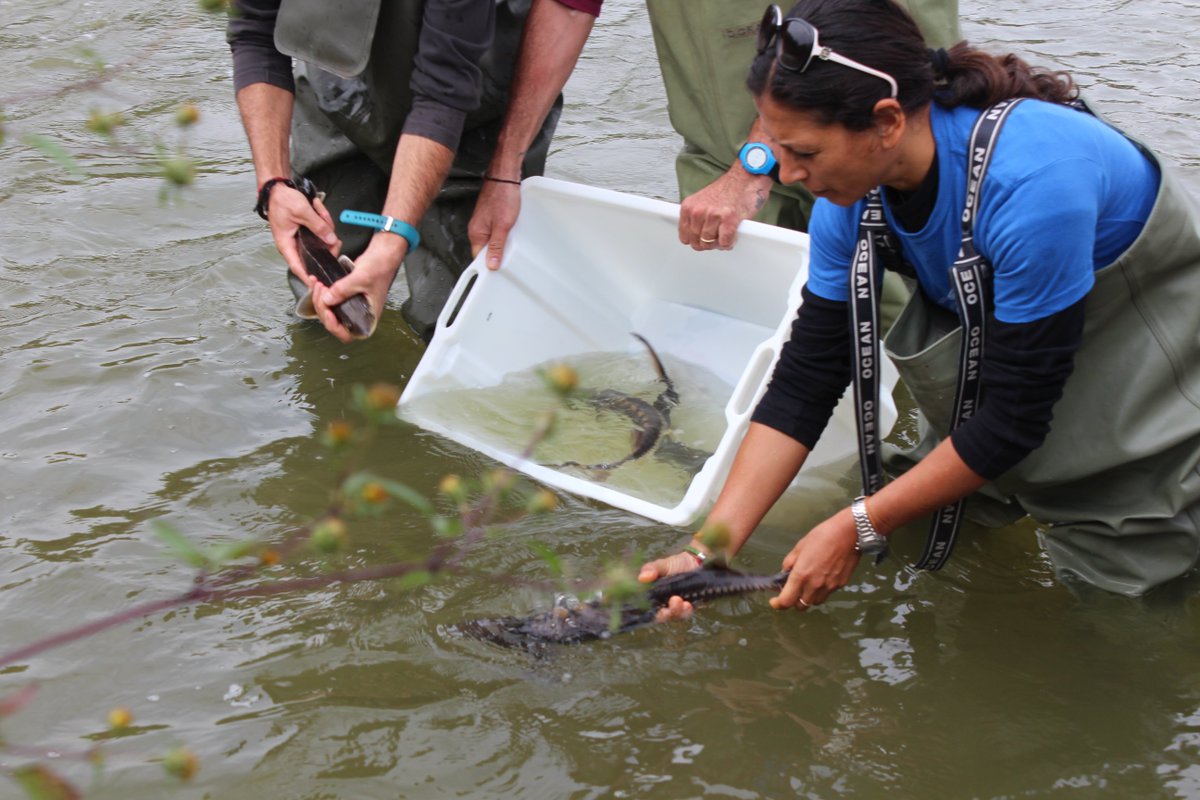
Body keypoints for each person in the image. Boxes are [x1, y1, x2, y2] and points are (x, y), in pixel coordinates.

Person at [641, 0, 1200, 611]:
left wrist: (856, 525)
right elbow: (808, 374)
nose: (790, 175)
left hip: (1148, 389)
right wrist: (707, 551)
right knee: (896, 540)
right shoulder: (848, 197)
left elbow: (1015, 417)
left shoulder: (1035, 184)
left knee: (1122, 620)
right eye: (776, 148)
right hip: (1021, 379)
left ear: (885, 121)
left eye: (804, 152)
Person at [467, 0, 959, 276]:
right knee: (739, 326)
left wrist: (756, 162)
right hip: (716, 147)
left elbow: (853, 25)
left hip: (869, 139)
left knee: (910, 325)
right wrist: (505, 168)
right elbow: (569, 7)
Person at [227, 0, 565, 343]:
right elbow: (255, 33)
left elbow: (443, 92)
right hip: (339, 77)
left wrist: (392, 239)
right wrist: (274, 183)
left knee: (460, 319)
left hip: (474, 89)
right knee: (324, 295)